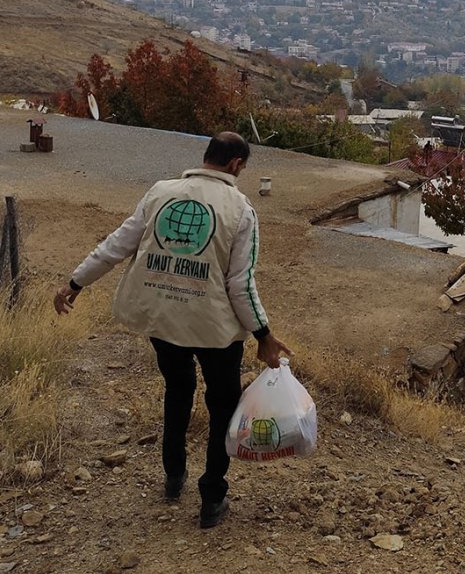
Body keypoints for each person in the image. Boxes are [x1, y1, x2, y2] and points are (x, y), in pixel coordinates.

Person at [53, 131, 291, 529]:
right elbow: (240, 284)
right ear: (236, 165)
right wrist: (263, 335)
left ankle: (173, 475)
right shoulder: (241, 209)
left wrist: (75, 283)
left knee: (177, 390)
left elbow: (117, 245)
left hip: (162, 318)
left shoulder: (161, 192)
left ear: (207, 157)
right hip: (215, 330)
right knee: (221, 408)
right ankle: (212, 497)